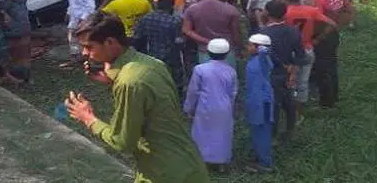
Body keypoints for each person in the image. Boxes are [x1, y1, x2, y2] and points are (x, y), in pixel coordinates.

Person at [64, 12, 210, 183]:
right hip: (188, 162)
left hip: (162, 172)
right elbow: (151, 102)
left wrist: (88, 117)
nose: (85, 53)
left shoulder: (129, 82)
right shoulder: (152, 63)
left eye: (89, 47)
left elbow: (122, 142)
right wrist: (112, 79)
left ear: (110, 42)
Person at [274, 0, 338, 113]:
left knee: (287, 80)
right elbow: (332, 24)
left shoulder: (283, 13)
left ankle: (287, 109)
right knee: (303, 82)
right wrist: (318, 39)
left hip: (289, 52)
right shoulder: (311, 10)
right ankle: (299, 112)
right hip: (307, 49)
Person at [183, 38, 237, 173]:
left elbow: (193, 91)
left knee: (202, 134)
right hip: (224, 108)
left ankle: (203, 162)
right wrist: (231, 107)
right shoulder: (231, 71)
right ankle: (221, 164)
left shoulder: (200, 69)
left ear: (207, 52)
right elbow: (233, 92)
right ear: (227, 53)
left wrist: (188, 108)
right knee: (222, 134)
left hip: (205, 107)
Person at [260, 0, 303, 143]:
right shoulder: (293, 30)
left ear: (267, 12)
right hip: (289, 71)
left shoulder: (264, 33)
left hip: (272, 73)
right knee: (289, 101)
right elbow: (300, 54)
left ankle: (272, 135)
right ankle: (291, 129)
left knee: (274, 104)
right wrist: (293, 73)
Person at [183, 0, 241, 66]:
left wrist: (206, 41)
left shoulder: (192, 9)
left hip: (204, 51)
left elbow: (186, 30)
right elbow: (235, 35)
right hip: (226, 50)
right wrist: (239, 49)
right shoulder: (231, 10)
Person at [134, 0, 185, 96]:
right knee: (176, 78)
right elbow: (179, 41)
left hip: (151, 53)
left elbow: (138, 36)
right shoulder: (175, 20)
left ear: (157, 5)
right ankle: (176, 96)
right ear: (172, 7)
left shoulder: (146, 18)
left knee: (155, 76)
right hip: (171, 55)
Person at [244, 33, 275, 173]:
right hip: (255, 99)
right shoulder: (255, 59)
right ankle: (259, 156)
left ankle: (265, 163)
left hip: (261, 102)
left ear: (259, 48)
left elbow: (264, 53)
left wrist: (263, 49)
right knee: (257, 131)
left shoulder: (262, 59)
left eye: (250, 45)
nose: (247, 47)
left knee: (262, 132)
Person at [0, 0, 32, 83]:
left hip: (12, 28)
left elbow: (1, 10)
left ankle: (18, 76)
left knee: (15, 54)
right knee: (25, 53)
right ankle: (27, 76)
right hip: (26, 25)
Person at [63, 0, 96, 67]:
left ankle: (91, 60)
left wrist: (83, 20)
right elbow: (72, 4)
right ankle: (75, 59)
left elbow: (91, 6)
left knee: (85, 39)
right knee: (72, 38)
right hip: (74, 18)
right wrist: (68, 14)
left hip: (83, 19)